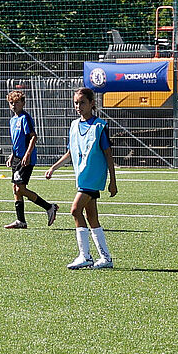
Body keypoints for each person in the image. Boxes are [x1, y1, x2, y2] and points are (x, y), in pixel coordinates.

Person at [45, 87, 116, 269]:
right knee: (91, 217)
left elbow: (108, 155)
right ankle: (105, 258)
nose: (78, 106)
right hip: (82, 179)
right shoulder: (74, 125)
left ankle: (85, 256)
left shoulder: (100, 126)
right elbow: (71, 152)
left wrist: (112, 182)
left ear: (92, 104)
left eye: (82, 102)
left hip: (93, 179)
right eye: (76, 102)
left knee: (75, 210)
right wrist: (54, 168)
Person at [2, 89, 59, 229]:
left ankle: (49, 207)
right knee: (16, 188)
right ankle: (21, 221)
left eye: (16, 102)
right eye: (11, 103)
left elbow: (33, 136)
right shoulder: (12, 119)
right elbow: (17, 140)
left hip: (25, 158)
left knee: (20, 188)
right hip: (17, 158)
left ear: (23, 103)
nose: (14, 105)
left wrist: (27, 154)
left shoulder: (25, 118)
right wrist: (12, 154)